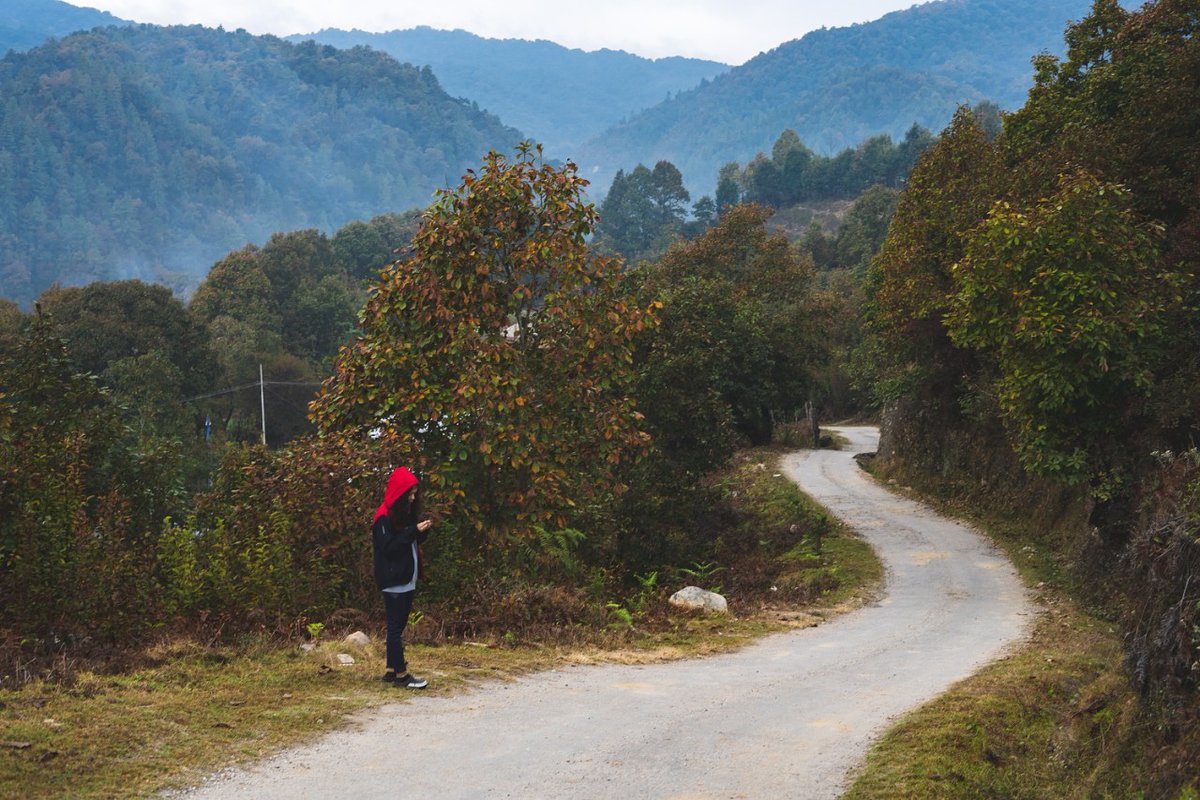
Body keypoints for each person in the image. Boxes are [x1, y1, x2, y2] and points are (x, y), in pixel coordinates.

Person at [372, 466, 433, 689]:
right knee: (396, 628)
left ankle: (391, 670)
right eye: (410, 493)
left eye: (415, 493)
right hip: (394, 580)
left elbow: (409, 542)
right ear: (399, 493)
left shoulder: (402, 516)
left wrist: (420, 533)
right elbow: (389, 548)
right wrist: (412, 532)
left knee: (397, 626)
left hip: (406, 579)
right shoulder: (383, 519)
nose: (413, 497)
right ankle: (401, 675)